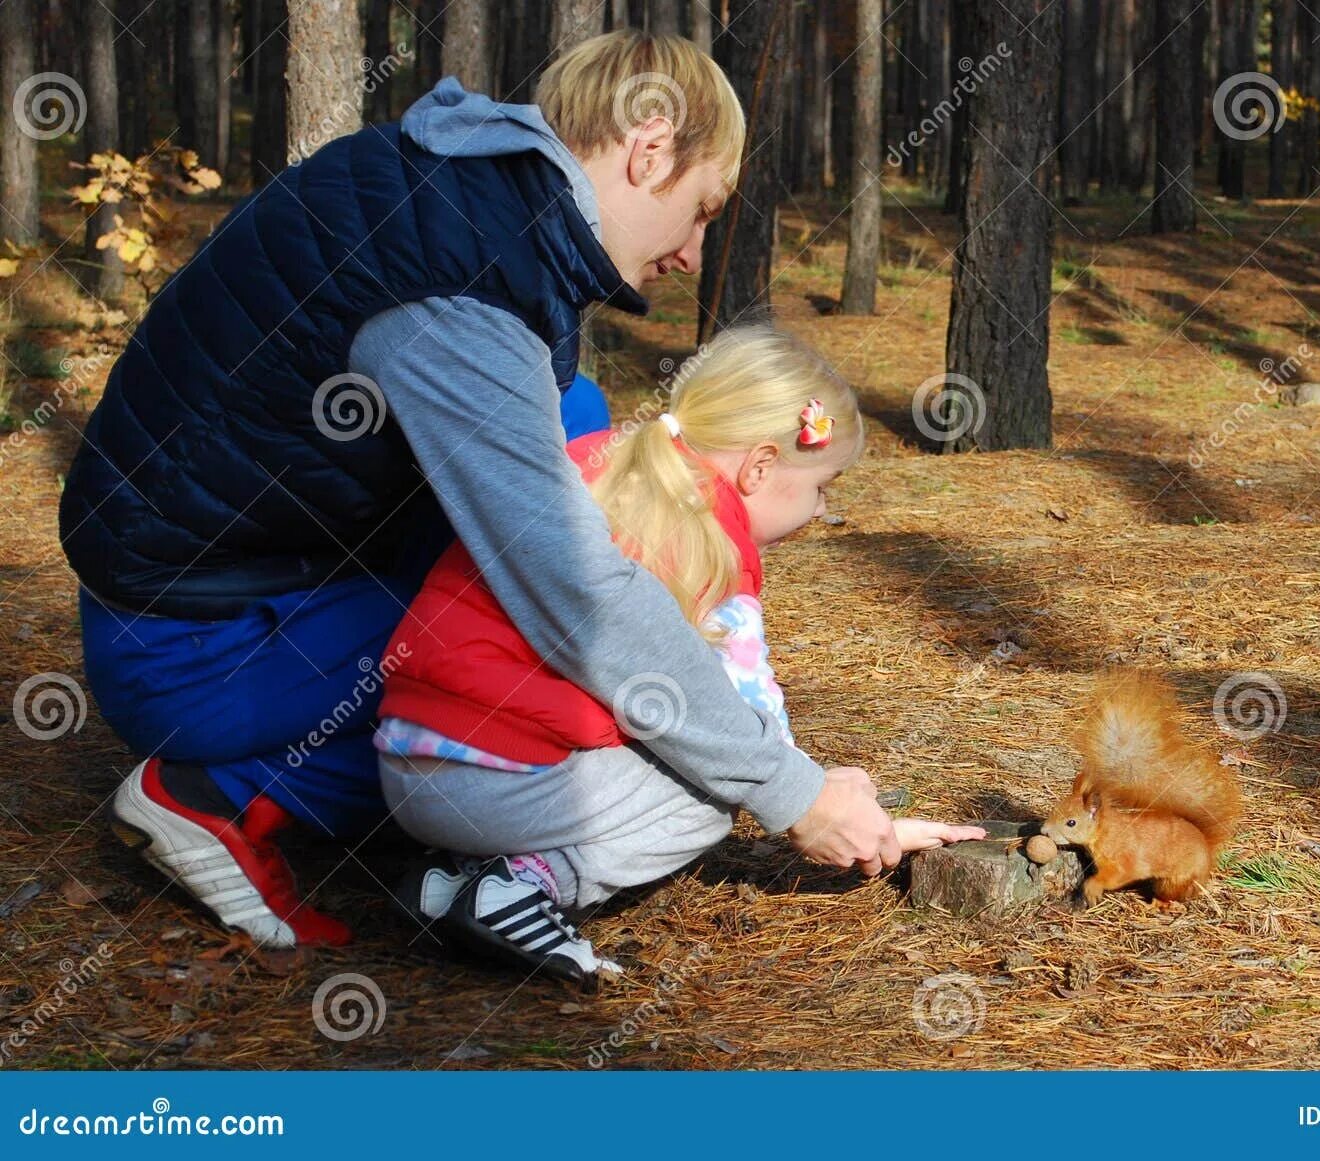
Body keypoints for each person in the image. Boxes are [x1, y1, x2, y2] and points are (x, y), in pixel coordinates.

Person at [63, 31, 902, 951]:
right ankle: (217, 796)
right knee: (501, 675)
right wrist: (786, 788)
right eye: (701, 211)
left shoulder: (467, 204)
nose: (693, 255)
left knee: (573, 417)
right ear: (648, 145)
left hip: (222, 584)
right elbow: (573, 587)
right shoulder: (458, 296)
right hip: (192, 650)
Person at [372, 326, 985, 983]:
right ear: (759, 468)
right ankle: (523, 886)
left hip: (407, 760)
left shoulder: (599, 459)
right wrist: (842, 808)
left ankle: (450, 884)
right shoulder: (710, 542)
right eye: (823, 487)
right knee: (709, 792)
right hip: (496, 781)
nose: (822, 510)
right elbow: (743, 727)